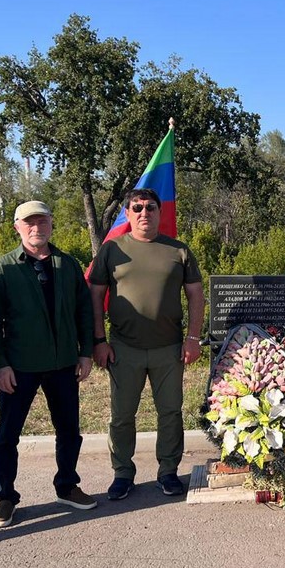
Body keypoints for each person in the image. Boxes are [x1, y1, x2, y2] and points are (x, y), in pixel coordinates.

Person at [0, 200, 97, 528]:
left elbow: (84, 310)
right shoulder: (2, 268)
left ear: (51, 223)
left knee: (69, 430)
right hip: (19, 365)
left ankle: (67, 486)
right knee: (7, 434)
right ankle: (5, 497)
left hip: (63, 363)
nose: (37, 228)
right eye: (29, 223)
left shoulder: (67, 264)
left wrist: (86, 352)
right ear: (17, 227)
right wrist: (0, 364)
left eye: (42, 221)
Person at [88, 188, 204, 500]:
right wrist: (99, 341)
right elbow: (95, 297)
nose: (144, 213)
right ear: (127, 213)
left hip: (169, 349)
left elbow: (196, 295)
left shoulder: (178, 250)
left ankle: (168, 471)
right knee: (122, 416)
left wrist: (193, 338)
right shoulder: (112, 249)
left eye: (150, 207)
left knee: (170, 413)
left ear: (159, 212)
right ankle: (122, 473)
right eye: (137, 207)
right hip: (124, 349)